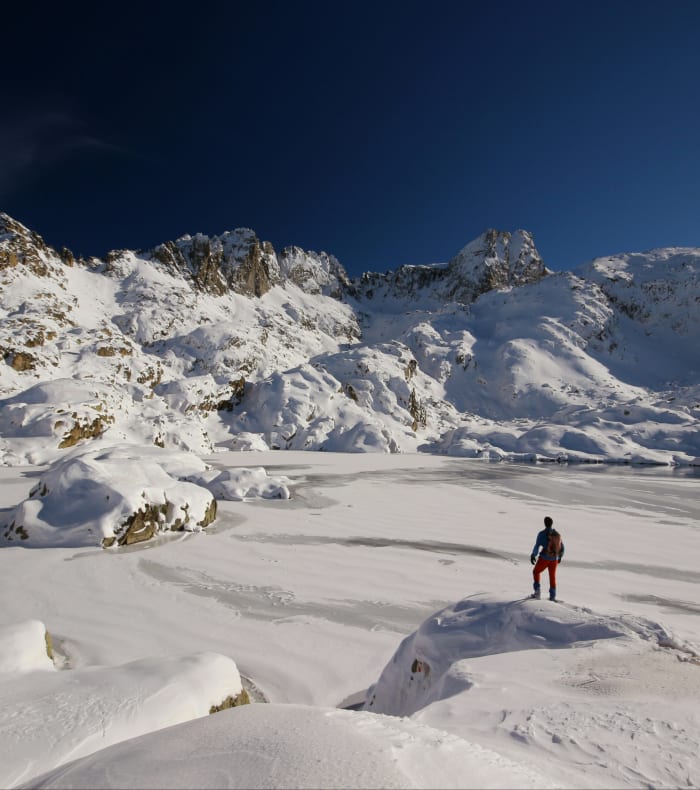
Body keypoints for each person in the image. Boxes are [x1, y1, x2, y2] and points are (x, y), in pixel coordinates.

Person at [530, 515, 564, 601]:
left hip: (544, 558)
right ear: (552, 524)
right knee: (552, 577)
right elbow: (562, 546)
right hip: (554, 559)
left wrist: (533, 555)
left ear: (545, 524)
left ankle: (537, 592)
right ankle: (552, 597)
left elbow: (537, 546)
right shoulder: (557, 535)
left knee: (536, 571)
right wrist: (560, 556)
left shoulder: (542, 534)